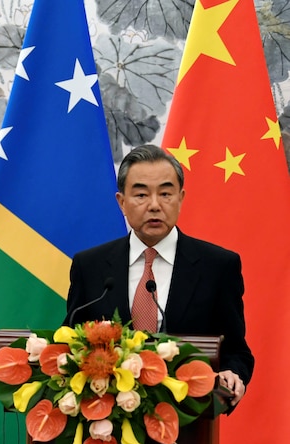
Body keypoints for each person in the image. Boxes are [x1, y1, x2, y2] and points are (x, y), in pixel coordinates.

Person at [65, 144, 253, 407]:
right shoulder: (90, 266)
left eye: (165, 194)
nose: (154, 205)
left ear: (181, 198)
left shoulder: (218, 266)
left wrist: (234, 374)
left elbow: (235, 350)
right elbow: (72, 340)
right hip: (105, 423)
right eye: (141, 195)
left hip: (188, 421)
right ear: (122, 202)